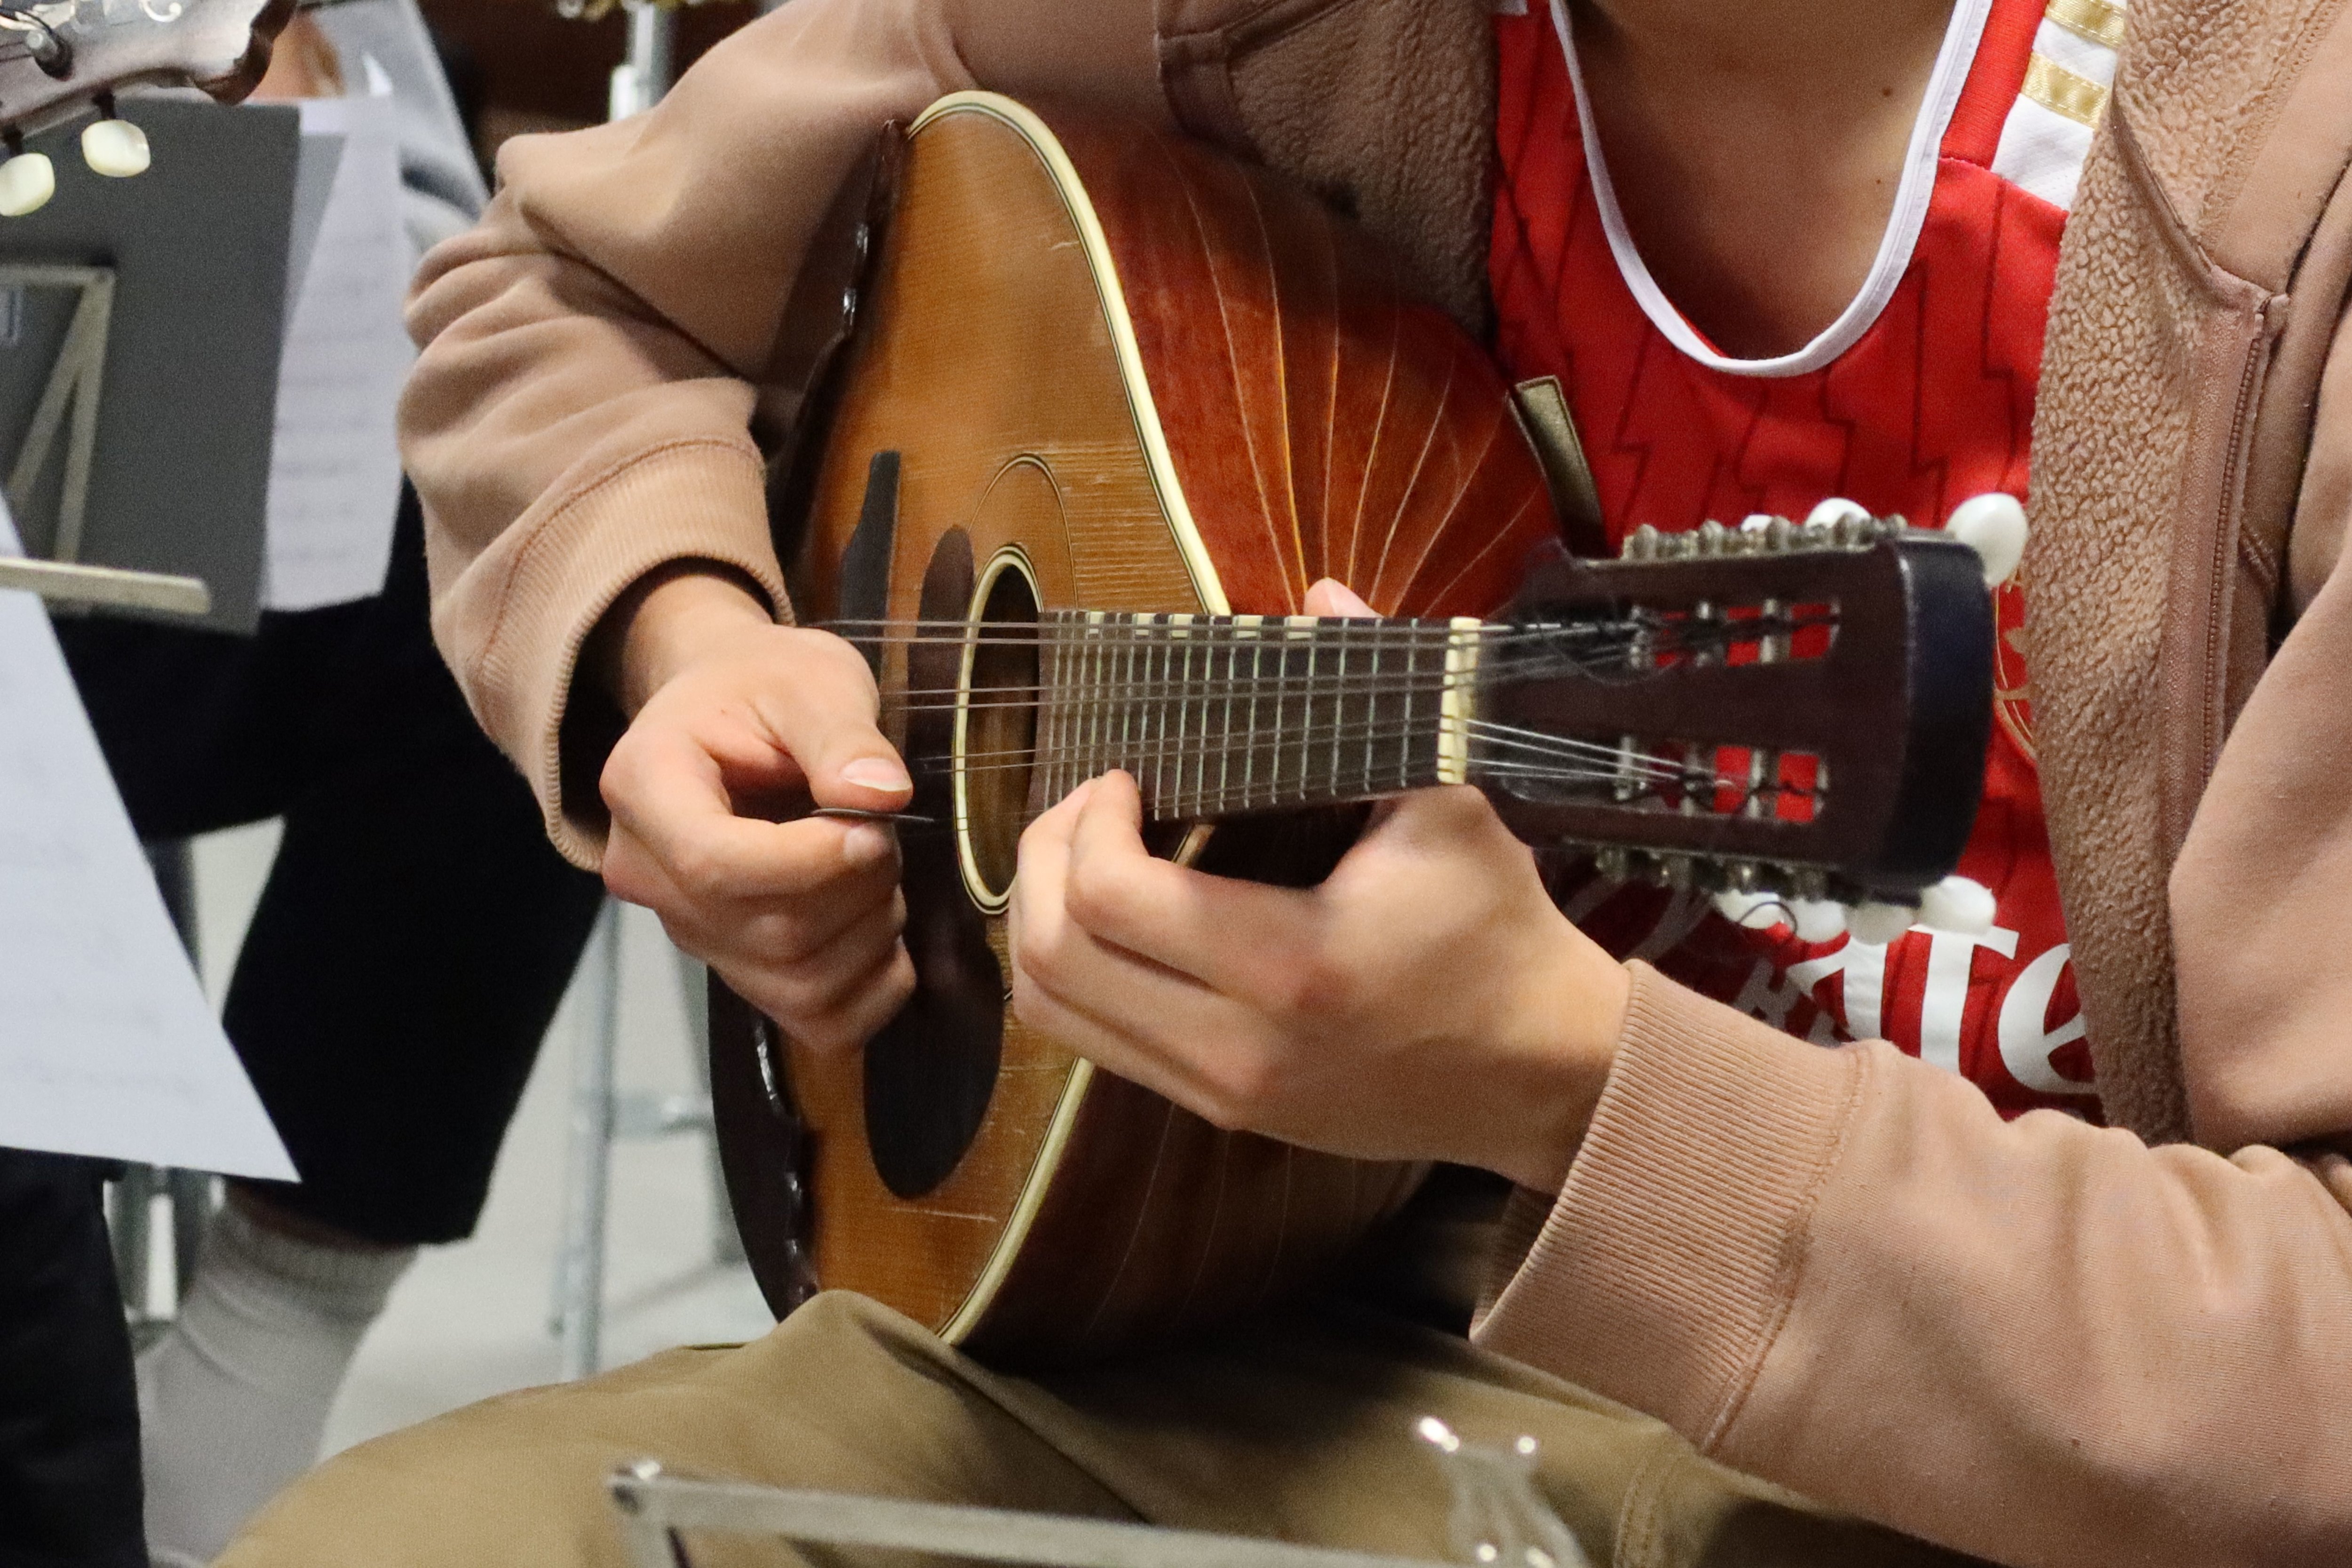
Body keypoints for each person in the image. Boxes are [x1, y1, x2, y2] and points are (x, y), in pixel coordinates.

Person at [222, 0, 2352, 1563]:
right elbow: (563, 291)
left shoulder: (2280, 162)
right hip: (1259, 1330)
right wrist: (678, 643)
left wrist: (1564, 1083)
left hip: (2035, 1469)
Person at [54, 5, 603, 1560]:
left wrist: (297, 114)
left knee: (534, 574)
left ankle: (253, 1361)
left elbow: (436, 243)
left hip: (181, 506)